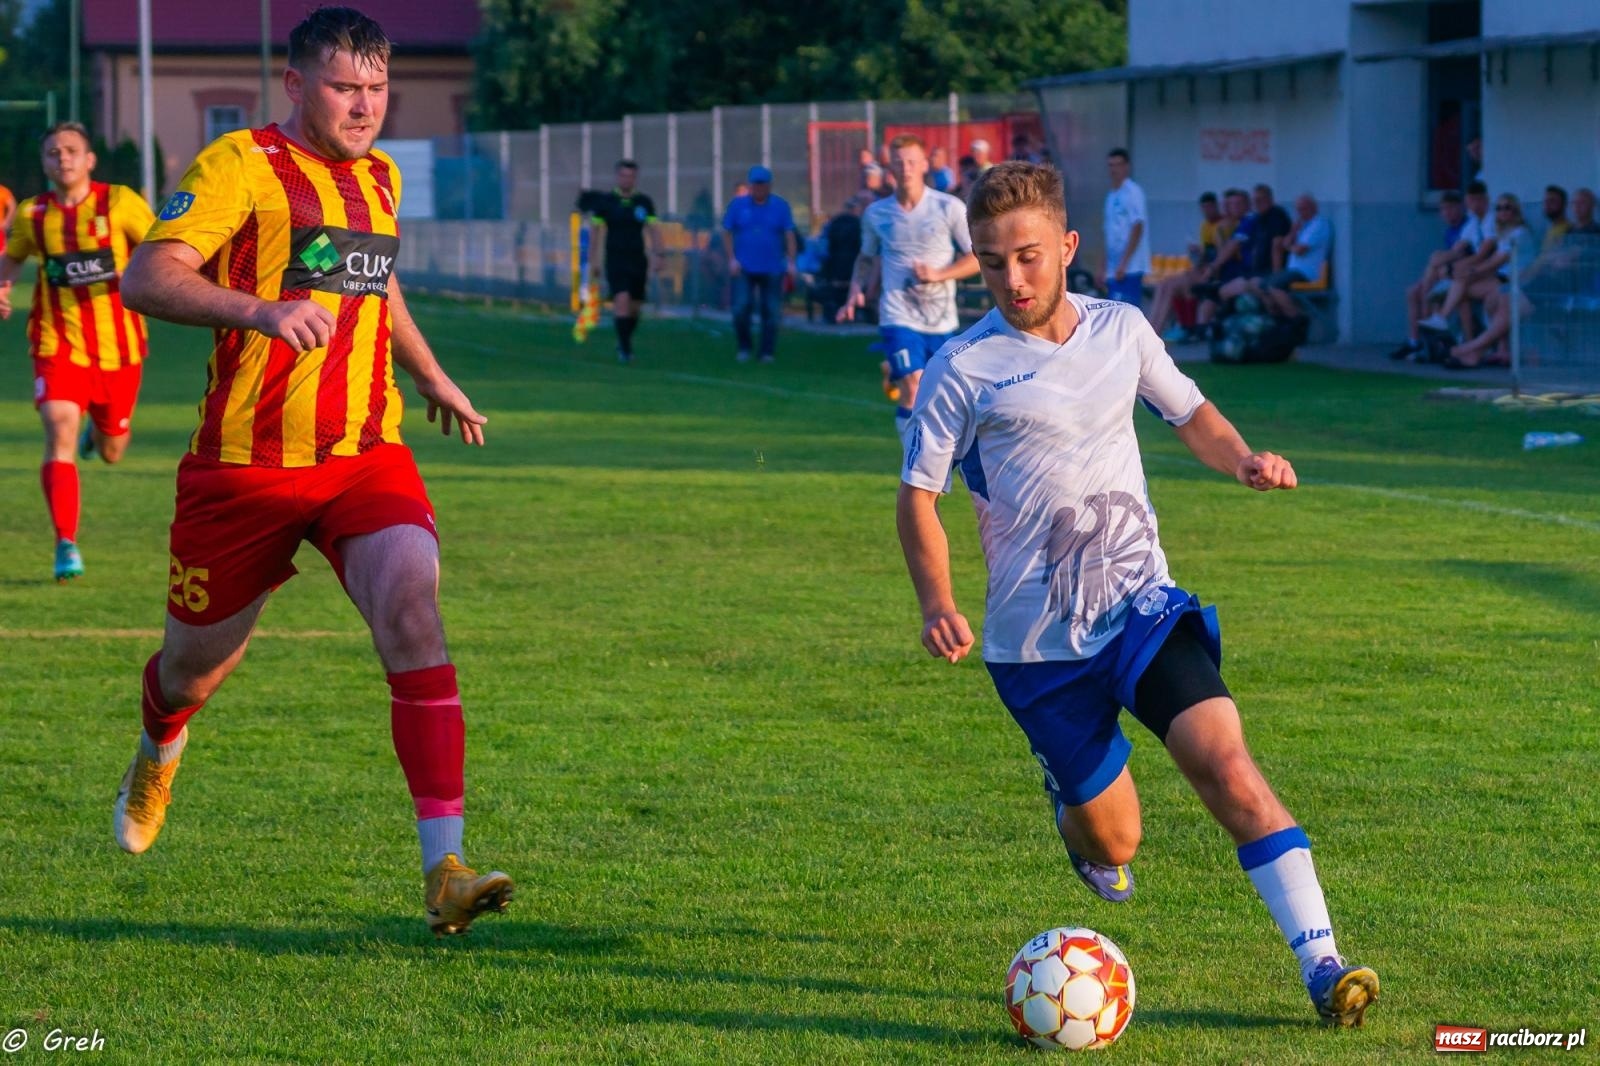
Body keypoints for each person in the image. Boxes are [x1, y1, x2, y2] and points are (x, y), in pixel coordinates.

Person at [897, 160, 1379, 1028]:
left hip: (1140, 607)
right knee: (1116, 843)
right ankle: (1069, 800)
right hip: (1035, 646)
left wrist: (1242, 459)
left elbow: (1188, 412)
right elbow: (918, 499)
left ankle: (1324, 964)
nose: (1013, 278)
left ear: (1068, 248)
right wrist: (938, 602)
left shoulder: (1122, 330)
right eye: (995, 260)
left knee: (1224, 762)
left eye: (1031, 258)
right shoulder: (960, 368)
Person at [113, 5, 513, 937]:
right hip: (243, 472)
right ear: (295, 85)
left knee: (414, 609)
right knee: (192, 672)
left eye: (377, 88)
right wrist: (259, 312)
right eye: (345, 87)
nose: (365, 105)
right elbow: (146, 277)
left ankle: (443, 868)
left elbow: (378, 284)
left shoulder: (379, 176)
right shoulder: (240, 166)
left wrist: (433, 376)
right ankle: (159, 742)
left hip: (363, 455)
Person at [0, 121, 155, 582]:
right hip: (57, 342)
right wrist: (3, 283)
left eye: (71, 150)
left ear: (89, 160)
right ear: (45, 164)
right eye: (53, 152)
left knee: (112, 451)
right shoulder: (33, 215)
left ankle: (99, 436)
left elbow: (158, 249)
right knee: (59, 427)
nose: (62, 158)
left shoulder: (121, 203)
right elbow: (13, 256)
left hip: (120, 349)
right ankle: (65, 543)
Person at [837, 133, 978, 439]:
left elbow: (976, 258)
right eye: (899, 163)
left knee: (940, 395)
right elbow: (866, 257)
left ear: (925, 164)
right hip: (897, 314)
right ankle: (915, 468)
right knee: (913, 387)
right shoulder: (877, 213)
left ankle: (891, 370)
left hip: (941, 318)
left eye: (912, 161)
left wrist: (938, 275)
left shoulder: (948, 207)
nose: (906, 168)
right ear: (890, 167)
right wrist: (854, 292)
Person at [722, 164, 798, 363]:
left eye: (763, 185)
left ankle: (766, 351)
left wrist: (791, 262)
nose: (759, 188)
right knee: (740, 308)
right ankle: (744, 346)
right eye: (756, 185)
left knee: (771, 311)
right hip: (744, 266)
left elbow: (789, 235)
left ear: (769, 186)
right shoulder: (738, 205)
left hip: (772, 266)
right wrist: (732, 258)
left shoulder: (780, 206)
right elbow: (727, 232)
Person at [589, 159, 660, 363]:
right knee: (621, 300)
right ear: (617, 177)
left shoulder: (644, 202)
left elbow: (653, 229)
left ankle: (623, 340)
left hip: (638, 259)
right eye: (623, 175)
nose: (626, 179)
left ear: (635, 178)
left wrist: (659, 255)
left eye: (630, 176)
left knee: (635, 306)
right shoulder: (606, 201)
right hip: (615, 259)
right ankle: (626, 351)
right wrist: (593, 260)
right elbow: (595, 231)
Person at [1390, 190, 1471, 360]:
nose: (1446, 213)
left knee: (1434, 266)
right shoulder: (1450, 231)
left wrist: (1439, 259)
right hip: (1445, 276)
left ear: (1460, 208)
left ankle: (1432, 340)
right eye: (1443, 209)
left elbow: (1460, 255)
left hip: (1461, 277)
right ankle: (1415, 341)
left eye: (1450, 208)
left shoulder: (1468, 227)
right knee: (1413, 292)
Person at [1147, 191, 1229, 340]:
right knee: (1163, 284)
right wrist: (1198, 252)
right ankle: (1151, 328)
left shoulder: (1222, 226)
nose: (1207, 211)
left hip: (1214, 274)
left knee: (1174, 286)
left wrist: (1204, 265)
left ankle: (1162, 331)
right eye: (1204, 208)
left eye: (1210, 207)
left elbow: (1221, 255)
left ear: (1216, 206)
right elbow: (1205, 256)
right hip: (1201, 270)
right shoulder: (1205, 226)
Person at [1253, 193, 1332, 320]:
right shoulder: (1303, 226)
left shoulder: (1319, 224)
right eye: (1299, 209)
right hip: (1293, 271)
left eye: (1304, 209)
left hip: (1306, 273)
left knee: (1274, 285)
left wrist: (1290, 247)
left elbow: (1300, 250)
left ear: (1314, 208)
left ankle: (1296, 319)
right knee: (1262, 285)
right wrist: (1293, 231)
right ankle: (1278, 319)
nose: (1301, 213)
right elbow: (1285, 243)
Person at [1099, 148, 1150, 309]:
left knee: (1126, 312)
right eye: (1110, 165)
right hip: (1114, 268)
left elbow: (1138, 227)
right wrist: (1102, 266)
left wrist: (1124, 263)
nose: (1114, 169)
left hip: (1130, 267)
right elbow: (1108, 234)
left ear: (1126, 166)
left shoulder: (1133, 192)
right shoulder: (1111, 196)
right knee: (1112, 311)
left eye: (1118, 165)